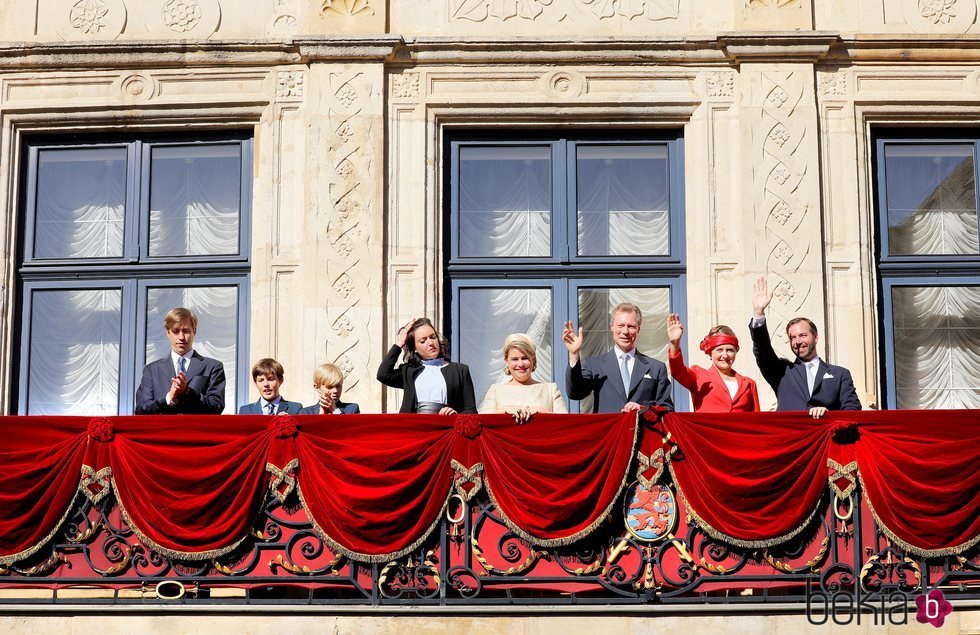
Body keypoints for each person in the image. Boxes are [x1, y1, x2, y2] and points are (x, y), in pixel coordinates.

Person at [750, 276, 861, 418]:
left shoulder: (840, 374)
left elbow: (853, 409)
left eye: (802, 335)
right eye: (792, 337)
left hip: (825, 437)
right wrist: (758, 313)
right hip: (791, 437)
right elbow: (762, 350)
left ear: (816, 337)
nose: (797, 341)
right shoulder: (781, 371)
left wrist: (829, 415)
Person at [563, 302, 673, 413]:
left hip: (642, 429)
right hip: (609, 429)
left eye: (631, 326)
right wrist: (574, 354)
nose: (625, 331)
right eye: (620, 326)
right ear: (611, 327)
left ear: (638, 329)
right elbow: (575, 393)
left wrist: (643, 410)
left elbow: (667, 409)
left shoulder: (656, 368)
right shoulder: (595, 365)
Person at [134, 307, 225, 414]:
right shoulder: (152, 370)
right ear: (168, 333)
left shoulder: (213, 367)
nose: (181, 337)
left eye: (186, 331)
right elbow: (141, 410)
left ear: (194, 331)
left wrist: (187, 392)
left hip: (196, 430)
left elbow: (216, 407)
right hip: (164, 430)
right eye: (176, 331)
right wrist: (168, 398)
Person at [377, 317, 477, 415]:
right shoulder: (408, 371)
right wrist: (400, 343)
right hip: (414, 428)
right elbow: (383, 374)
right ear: (414, 348)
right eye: (423, 341)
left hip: (446, 428)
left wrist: (455, 414)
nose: (430, 343)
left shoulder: (460, 370)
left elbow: (470, 410)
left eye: (433, 337)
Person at [666, 314, 760, 413]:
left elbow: (757, 421)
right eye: (719, 350)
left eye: (730, 350)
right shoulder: (698, 376)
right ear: (710, 352)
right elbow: (677, 371)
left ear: (736, 352)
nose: (725, 355)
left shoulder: (749, 384)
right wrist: (674, 344)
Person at [479, 333, 567, 424]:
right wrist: (504, 410)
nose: (520, 364)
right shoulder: (495, 391)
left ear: (533, 359)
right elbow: (482, 424)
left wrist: (542, 411)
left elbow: (566, 424)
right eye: (515, 359)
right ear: (506, 360)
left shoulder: (550, 390)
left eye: (525, 358)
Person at [238, 358, 303, 415]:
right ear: (255, 383)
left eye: (270, 379)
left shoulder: (295, 409)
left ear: (280, 380)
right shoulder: (245, 411)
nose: (266, 384)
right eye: (261, 380)